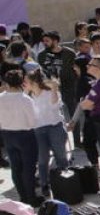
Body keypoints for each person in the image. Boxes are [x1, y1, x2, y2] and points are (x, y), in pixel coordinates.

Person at [26, 69, 70, 198]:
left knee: (60, 155)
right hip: (38, 130)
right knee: (42, 159)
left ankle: (66, 180)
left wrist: (54, 89)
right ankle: (45, 184)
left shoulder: (49, 92)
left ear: (34, 82)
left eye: (26, 81)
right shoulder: (27, 97)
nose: (24, 84)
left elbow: (55, 106)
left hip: (54, 127)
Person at [0, 70, 39, 204]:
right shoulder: (25, 99)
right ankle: (31, 197)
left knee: (16, 168)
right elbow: (33, 121)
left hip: (7, 134)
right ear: (21, 82)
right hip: (25, 135)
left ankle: (23, 196)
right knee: (28, 168)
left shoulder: (1, 97)